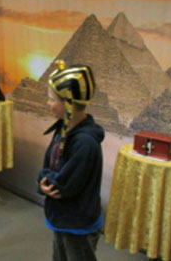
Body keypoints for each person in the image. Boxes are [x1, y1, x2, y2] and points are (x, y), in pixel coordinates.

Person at [37, 60, 105, 261]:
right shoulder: (63, 127)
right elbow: (48, 163)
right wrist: (45, 179)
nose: (48, 104)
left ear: (68, 103)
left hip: (77, 221)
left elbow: (63, 185)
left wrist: (46, 180)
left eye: (52, 99)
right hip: (64, 217)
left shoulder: (85, 143)